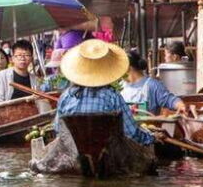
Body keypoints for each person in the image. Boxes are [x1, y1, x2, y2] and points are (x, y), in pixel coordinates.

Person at [31, 40, 156, 175]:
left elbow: (58, 129)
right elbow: (131, 132)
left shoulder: (66, 96)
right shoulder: (112, 96)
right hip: (109, 159)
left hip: (75, 160)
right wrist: (150, 137)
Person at [122, 50, 185, 116]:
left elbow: (169, 99)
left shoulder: (152, 85)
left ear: (127, 67)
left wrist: (181, 106)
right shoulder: (120, 87)